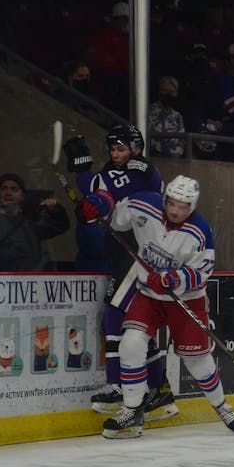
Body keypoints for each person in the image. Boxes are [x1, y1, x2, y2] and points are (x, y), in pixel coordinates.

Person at [76, 175, 234, 439]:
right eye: (172, 203)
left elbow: (203, 271)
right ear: (165, 198)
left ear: (193, 206)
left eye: (183, 206)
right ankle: (132, 410)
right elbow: (116, 217)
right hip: (148, 295)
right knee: (131, 343)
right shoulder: (144, 204)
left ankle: (222, 405)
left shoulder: (200, 231)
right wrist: (101, 204)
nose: (176, 210)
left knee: (196, 360)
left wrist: (174, 278)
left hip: (186, 299)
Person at [64, 125, 176, 423]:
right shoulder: (111, 172)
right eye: (112, 149)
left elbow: (115, 192)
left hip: (138, 257)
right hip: (127, 257)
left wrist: (93, 193)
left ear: (135, 149)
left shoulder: (141, 168)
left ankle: (117, 386)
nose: (116, 154)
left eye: (121, 149)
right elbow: (100, 193)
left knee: (114, 317)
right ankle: (158, 390)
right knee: (138, 328)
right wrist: (85, 181)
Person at [0, 173, 70, 271]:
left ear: (22, 196)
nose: (8, 192)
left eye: (14, 189)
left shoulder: (30, 222)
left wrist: (55, 209)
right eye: (4, 188)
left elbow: (60, 225)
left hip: (29, 281)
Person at [147, 75, 187, 158]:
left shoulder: (177, 116)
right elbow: (150, 139)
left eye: (172, 92)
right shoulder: (150, 111)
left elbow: (181, 141)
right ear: (159, 92)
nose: (168, 94)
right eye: (165, 91)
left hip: (174, 160)